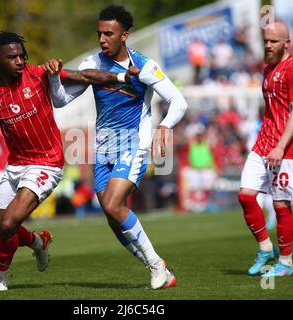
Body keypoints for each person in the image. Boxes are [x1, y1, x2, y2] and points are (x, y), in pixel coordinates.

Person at [0, 31, 137, 291]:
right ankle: (39, 242)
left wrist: (121, 77)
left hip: (46, 163)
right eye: (12, 57)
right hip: (15, 164)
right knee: (0, 230)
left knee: (9, 224)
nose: (19, 61)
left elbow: (84, 77)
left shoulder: (38, 74)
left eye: (21, 56)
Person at [45, 5, 187, 289]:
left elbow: (178, 102)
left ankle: (157, 264)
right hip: (103, 148)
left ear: (124, 35)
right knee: (112, 216)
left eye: (108, 34)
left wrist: (163, 127)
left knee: (112, 203)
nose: (102, 39)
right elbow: (61, 101)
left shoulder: (144, 66)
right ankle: (158, 269)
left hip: (133, 144)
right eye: (99, 33)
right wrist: (52, 76)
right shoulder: (91, 65)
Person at [237, 21, 293, 278]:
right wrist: (266, 141)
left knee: (281, 205)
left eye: (274, 41)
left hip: (287, 149)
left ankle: (286, 263)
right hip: (263, 144)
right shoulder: (268, 69)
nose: (268, 45)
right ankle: (266, 248)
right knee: (246, 195)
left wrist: (280, 146)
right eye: (265, 40)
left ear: (287, 43)